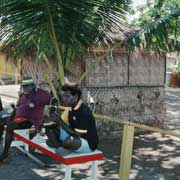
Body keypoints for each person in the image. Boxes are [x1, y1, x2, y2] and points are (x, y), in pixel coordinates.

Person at [0, 77, 56, 163]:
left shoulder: (40, 94)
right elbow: (16, 108)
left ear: (33, 86)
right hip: (18, 118)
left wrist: (54, 107)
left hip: (30, 121)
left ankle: (5, 154)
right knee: (2, 121)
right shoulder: (23, 95)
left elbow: (53, 100)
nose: (25, 88)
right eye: (24, 86)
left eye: (27, 86)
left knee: (10, 126)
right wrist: (10, 118)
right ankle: (3, 143)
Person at [44, 82, 99, 153]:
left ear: (76, 96)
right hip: (73, 136)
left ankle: (61, 146)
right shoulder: (71, 108)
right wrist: (49, 124)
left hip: (87, 142)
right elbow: (67, 128)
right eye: (63, 96)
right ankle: (61, 146)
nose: (64, 99)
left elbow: (77, 134)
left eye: (67, 96)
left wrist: (60, 121)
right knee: (50, 130)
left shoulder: (84, 111)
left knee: (69, 141)